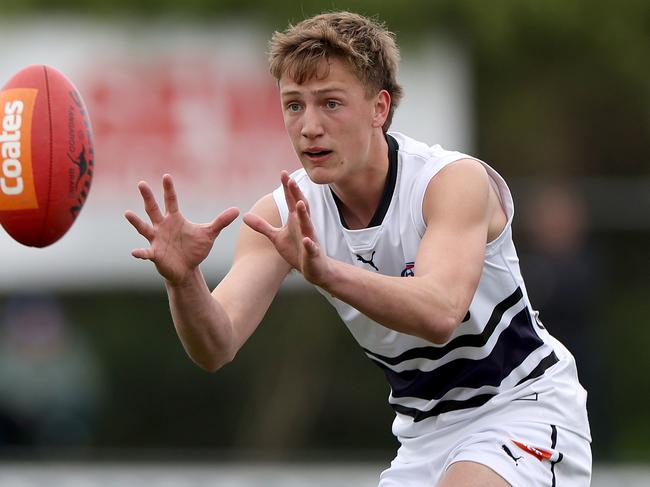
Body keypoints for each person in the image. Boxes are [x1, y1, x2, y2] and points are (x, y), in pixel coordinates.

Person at [125, 11, 591, 486]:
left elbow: (439, 312)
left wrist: (327, 272)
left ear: (379, 108)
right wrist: (183, 282)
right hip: (423, 437)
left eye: (330, 103)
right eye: (294, 105)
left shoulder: (449, 182)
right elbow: (215, 345)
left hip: (522, 406)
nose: (309, 126)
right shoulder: (282, 215)